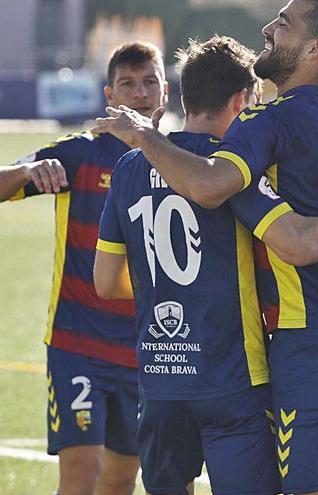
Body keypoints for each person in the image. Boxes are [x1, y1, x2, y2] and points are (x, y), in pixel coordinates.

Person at [92, 2, 318, 494]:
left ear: (314, 48)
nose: (268, 27)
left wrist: (144, 136)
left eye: (284, 23)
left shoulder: (265, 122)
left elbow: (214, 190)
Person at [0, 41, 168, 495]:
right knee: (80, 477)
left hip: (144, 352)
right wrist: (27, 172)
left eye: (149, 82)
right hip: (77, 345)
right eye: (128, 84)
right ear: (109, 96)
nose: (140, 93)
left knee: (120, 482)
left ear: (165, 92)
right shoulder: (79, 154)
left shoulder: (177, 162)